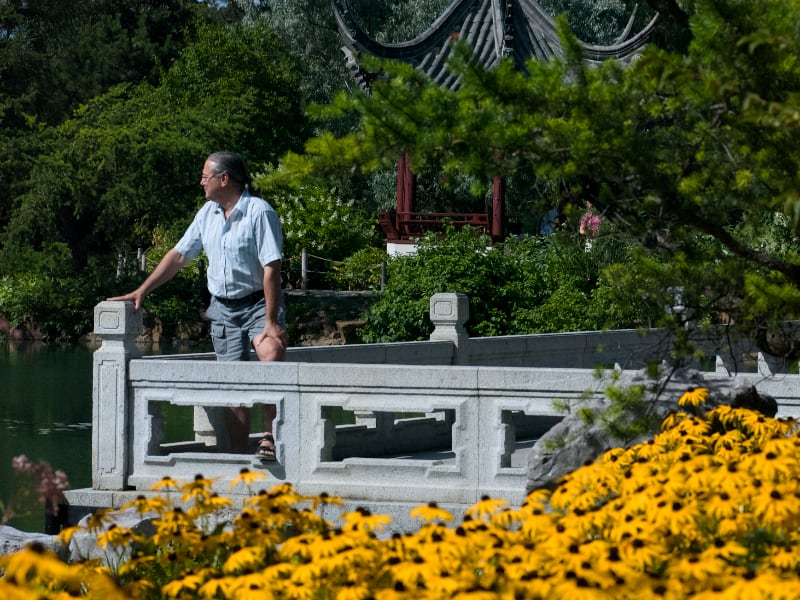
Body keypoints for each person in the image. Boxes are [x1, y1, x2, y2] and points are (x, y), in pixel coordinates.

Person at [108, 150, 286, 460]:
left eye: (206, 177)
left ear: (224, 179)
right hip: (223, 309)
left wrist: (271, 320)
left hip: (259, 303)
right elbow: (178, 257)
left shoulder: (259, 212)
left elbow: (272, 268)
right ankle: (239, 455)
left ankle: (269, 435)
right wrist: (142, 291)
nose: (201, 182)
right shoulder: (207, 213)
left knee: (271, 355)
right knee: (233, 386)